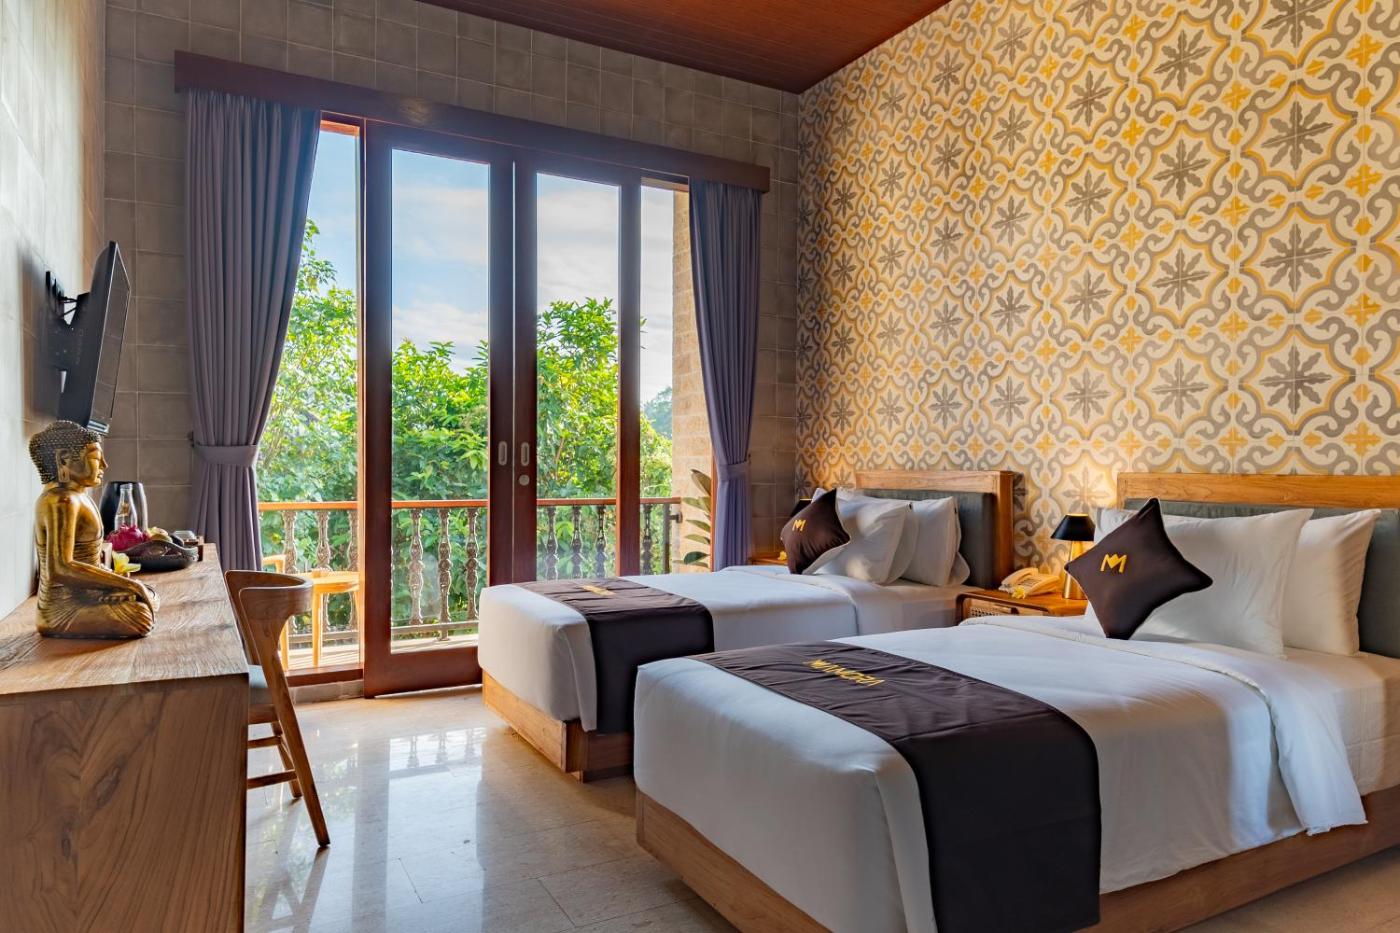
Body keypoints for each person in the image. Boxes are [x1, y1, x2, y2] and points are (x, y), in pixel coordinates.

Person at [29, 420, 157, 638]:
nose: (105, 465)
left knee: (149, 595)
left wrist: (118, 585)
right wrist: (128, 586)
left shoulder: (80, 497)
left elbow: (90, 563)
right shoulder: (60, 500)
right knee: (141, 615)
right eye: (96, 458)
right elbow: (60, 568)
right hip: (62, 610)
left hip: (90, 596)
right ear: (64, 459)